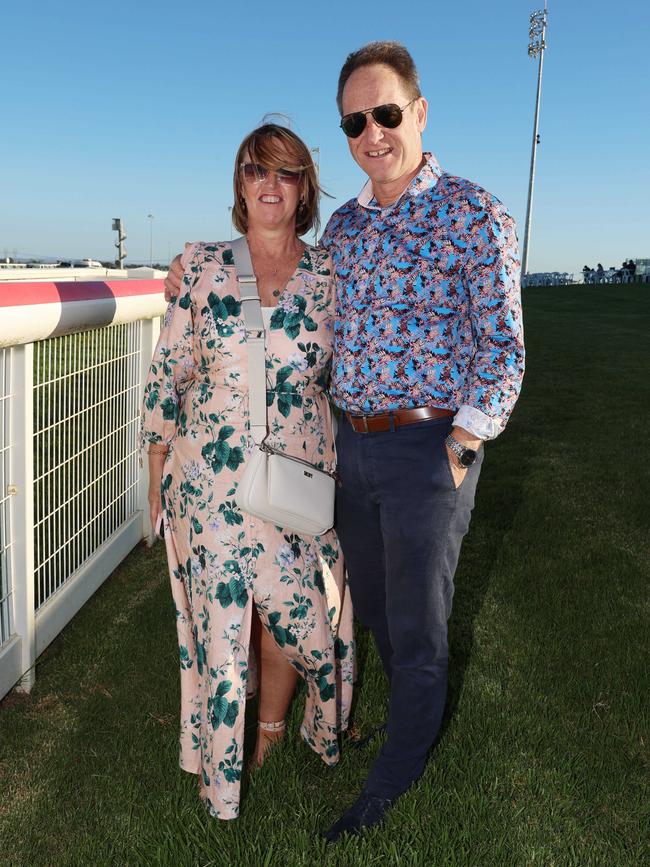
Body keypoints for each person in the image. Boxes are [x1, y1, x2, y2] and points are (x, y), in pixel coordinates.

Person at [165, 41, 524, 842]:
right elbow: (287, 308)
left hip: (429, 450)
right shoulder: (351, 232)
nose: (373, 132)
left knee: (419, 624)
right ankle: (392, 727)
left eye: (387, 113)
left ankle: (386, 786)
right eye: (356, 120)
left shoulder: (473, 212)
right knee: (379, 612)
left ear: (419, 113)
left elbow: (504, 349)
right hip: (349, 451)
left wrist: (463, 445)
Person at [142, 123, 354, 821]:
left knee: (309, 629)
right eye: (257, 170)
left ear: (303, 190)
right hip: (208, 483)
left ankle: (297, 726)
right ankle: (222, 786)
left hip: (294, 481)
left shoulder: (331, 276)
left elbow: (350, 376)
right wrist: (154, 467)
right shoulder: (199, 266)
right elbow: (168, 373)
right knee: (223, 639)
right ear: (240, 183)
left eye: (286, 173)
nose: (271, 184)